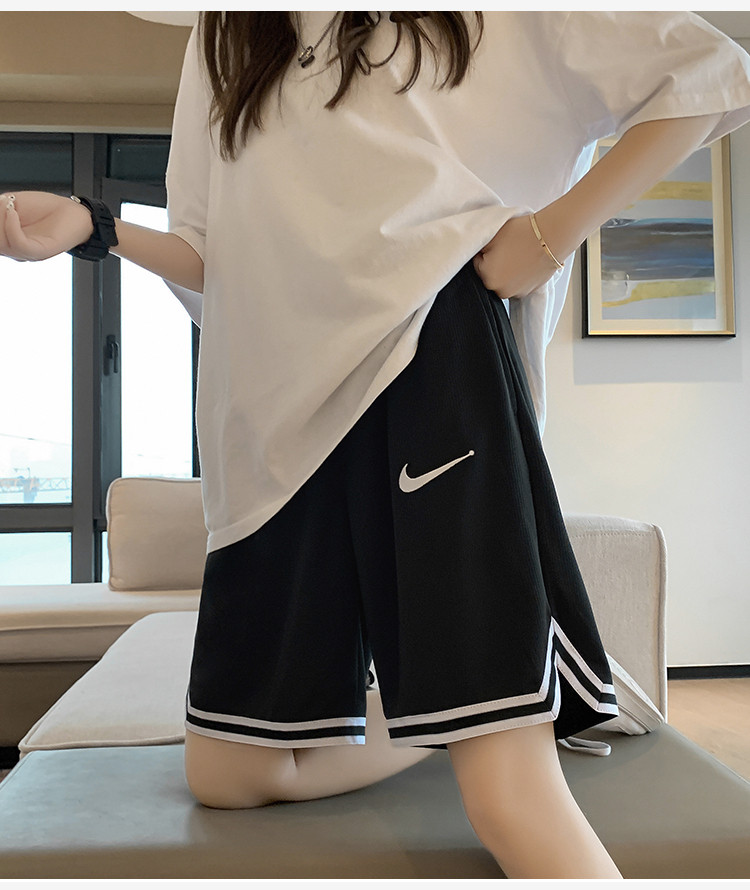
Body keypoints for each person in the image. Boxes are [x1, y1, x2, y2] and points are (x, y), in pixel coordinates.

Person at [2, 11, 750, 879]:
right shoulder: (225, 33)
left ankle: (491, 714)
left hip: (428, 357)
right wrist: (93, 226)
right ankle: (454, 718)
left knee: (511, 801)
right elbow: (219, 252)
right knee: (231, 773)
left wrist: (547, 240)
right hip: (273, 417)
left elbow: (708, 75)